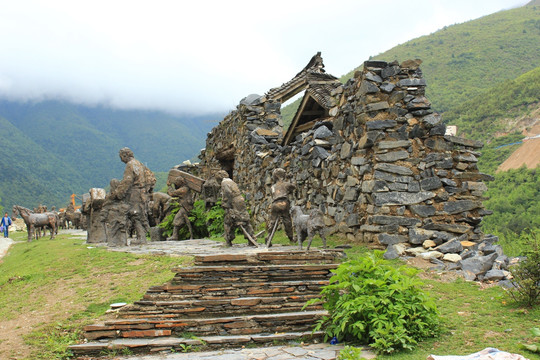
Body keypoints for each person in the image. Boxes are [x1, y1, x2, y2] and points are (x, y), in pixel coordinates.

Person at [114, 147, 155, 245]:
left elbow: (127, 181)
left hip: (135, 193)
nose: (121, 159)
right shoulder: (139, 164)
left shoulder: (130, 165)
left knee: (134, 214)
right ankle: (143, 236)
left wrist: (118, 193)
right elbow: (151, 178)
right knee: (140, 214)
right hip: (143, 192)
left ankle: (141, 237)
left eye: (121, 157)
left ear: (125, 155)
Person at [215, 170, 256, 247]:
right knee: (244, 219)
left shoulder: (224, 182)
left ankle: (228, 240)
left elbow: (228, 192)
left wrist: (226, 203)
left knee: (228, 221)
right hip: (240, 200)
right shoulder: (231, 181)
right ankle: (251, 237)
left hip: (234, 201)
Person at [266, 168, 296, 246]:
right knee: (287, 220)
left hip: (275, 204)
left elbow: (273, 195)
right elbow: (293, 186)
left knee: (273, 221)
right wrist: (291, 178)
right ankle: (291, 238)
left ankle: (269, 237)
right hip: (284, 203)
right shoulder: (286, 184)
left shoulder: (273, 186)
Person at [166, 175, 194, 241]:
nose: (175, 183)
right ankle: (176, 235)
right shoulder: (185, 188)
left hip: (186, 208)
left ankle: (175, 236)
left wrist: (169, 186)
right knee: (179, 220)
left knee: (177, 219)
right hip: (186, 207)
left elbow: (171, 193)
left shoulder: (183, 190)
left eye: (176, 182)